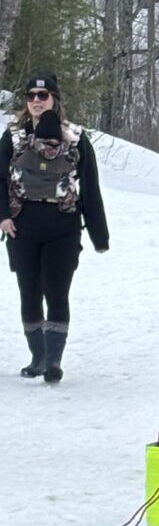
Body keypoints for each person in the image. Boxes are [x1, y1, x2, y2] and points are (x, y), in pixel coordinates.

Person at [0, 71, 108, 383]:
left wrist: (100, 235)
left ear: (54, 99)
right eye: (31, 96)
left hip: (63, 225)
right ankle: (38, 357)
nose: (36, 101)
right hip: (23, 227)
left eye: (43, 95)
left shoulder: (75, 137)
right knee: (30, 292)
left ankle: (53, 361)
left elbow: (90, 186)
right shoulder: (13, 137)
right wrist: (3, 216)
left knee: (57, 292)